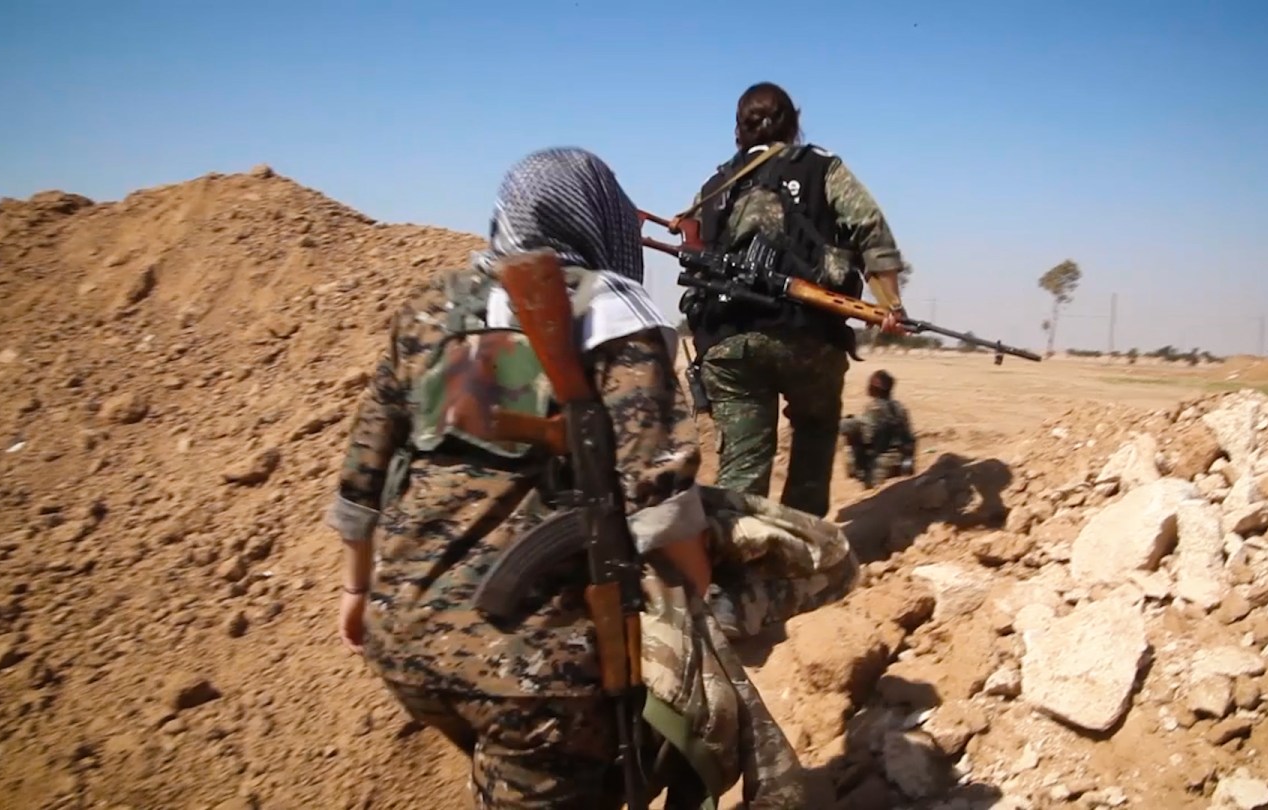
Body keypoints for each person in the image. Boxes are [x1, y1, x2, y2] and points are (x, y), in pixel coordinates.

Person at [326, 147, 715, 808]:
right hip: (535, 673)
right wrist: (702, 601)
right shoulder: (612, 313)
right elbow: (659, 499)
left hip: (404, 637)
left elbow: (364, 471)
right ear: (602, 221)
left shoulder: (430, 309)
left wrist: (356, 588)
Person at [680, 81, 912, 518]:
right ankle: (800, 554)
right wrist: (890, 305)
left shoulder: (713, 186)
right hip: (810, 336)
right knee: (815, 434)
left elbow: (694, 257)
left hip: (728, 344)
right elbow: (871, 231)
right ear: (795, 124)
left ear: (738, 130)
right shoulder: (822, 168)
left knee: (742, 471)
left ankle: (734, 567)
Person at [839, 369, 917, 488]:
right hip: (903, 462)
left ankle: (862, 476)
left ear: (875, 387)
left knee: (851, 434)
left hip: (881, 467)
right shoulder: (900, 408)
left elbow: (867, 432)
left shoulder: (874, 408)